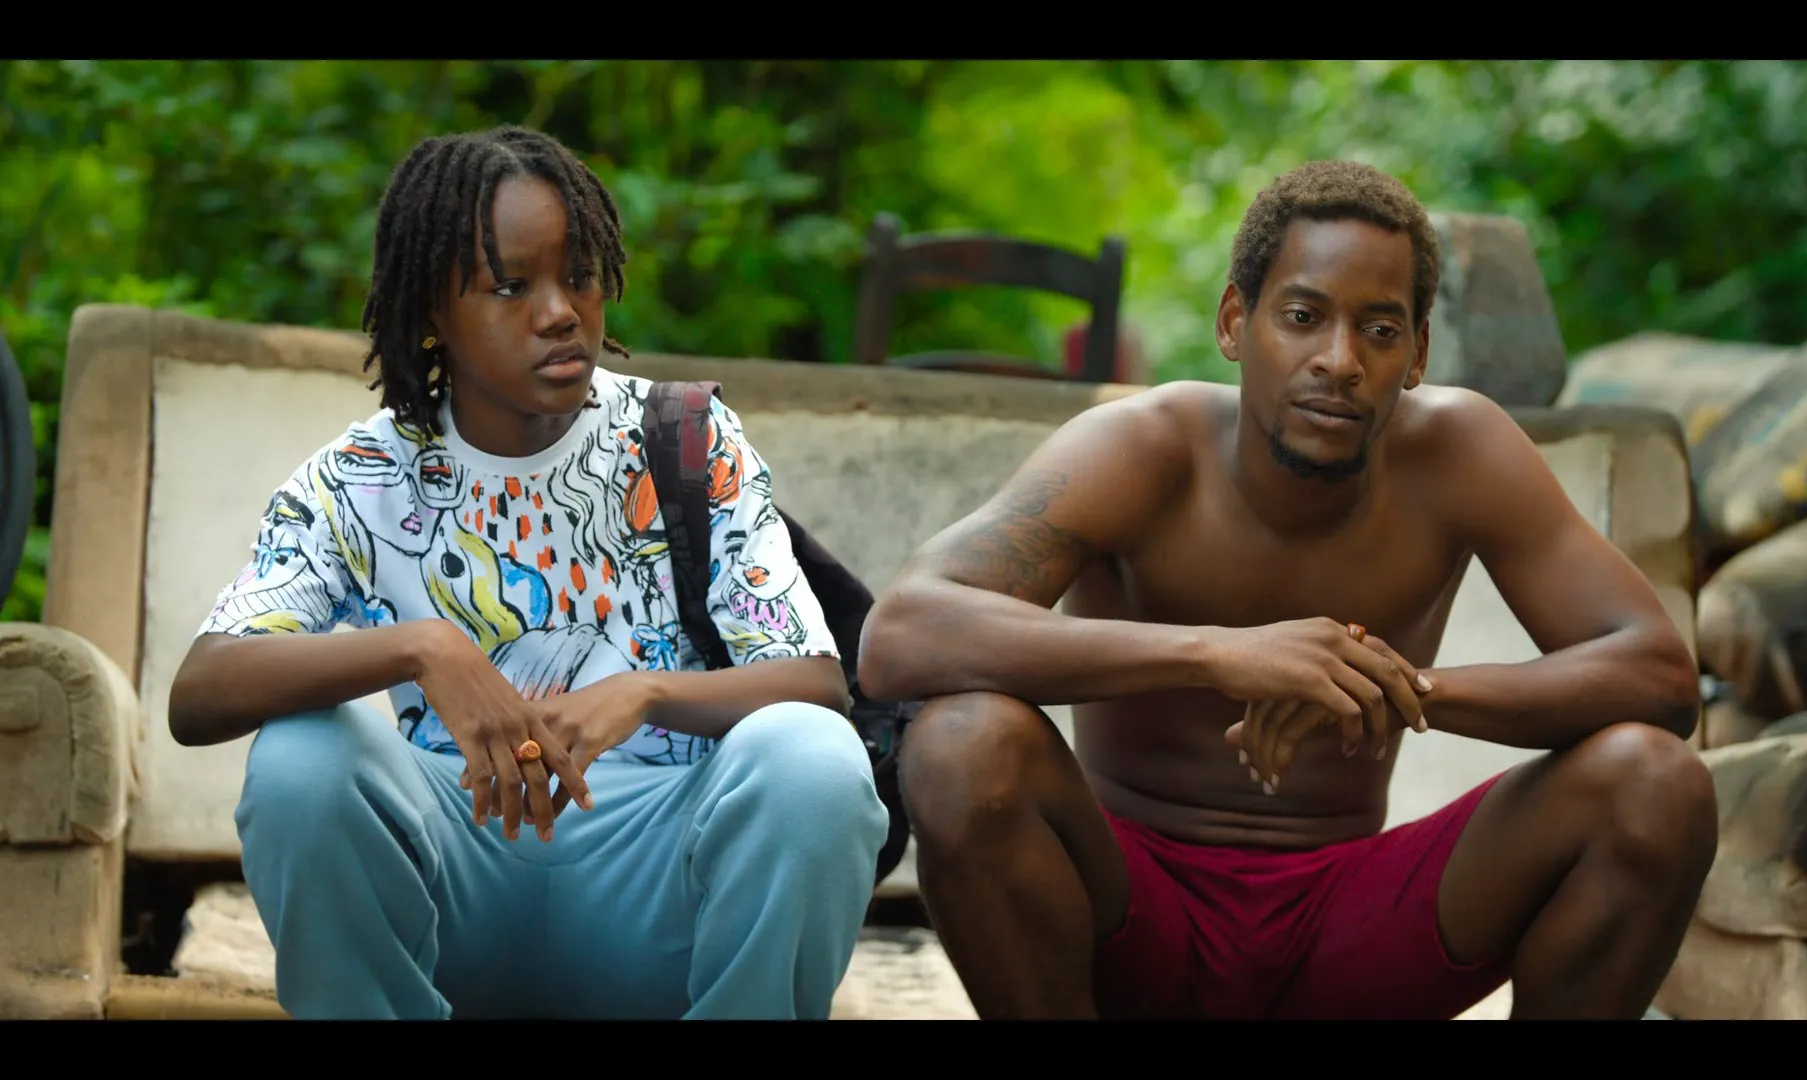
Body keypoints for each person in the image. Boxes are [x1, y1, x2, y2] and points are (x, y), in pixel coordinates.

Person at [857, 160, 1717, 1021]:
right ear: (1237, 322)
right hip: (1130, 917)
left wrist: (1394, 688)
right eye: (1303, 318)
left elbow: (1659, 675)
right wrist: (1221, 654)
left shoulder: (1461, 452)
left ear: (1417, 353)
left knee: (1655, 783)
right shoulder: (1141, 448)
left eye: (1380, 330)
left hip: (1349, 931)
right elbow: (902, 634)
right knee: (963, 742)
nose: (1340, 362)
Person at [167, 125, 888, 1020]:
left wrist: (646, 693)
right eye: (511, 286)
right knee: (299, 759)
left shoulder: (686, 441)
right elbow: (200, 692)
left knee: (813, 760)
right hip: (458, 892)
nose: (560, 312)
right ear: (432, 312)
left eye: (579, 276)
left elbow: (818, 683)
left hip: (660, 888)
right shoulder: (364, 478)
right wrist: (425, 648)